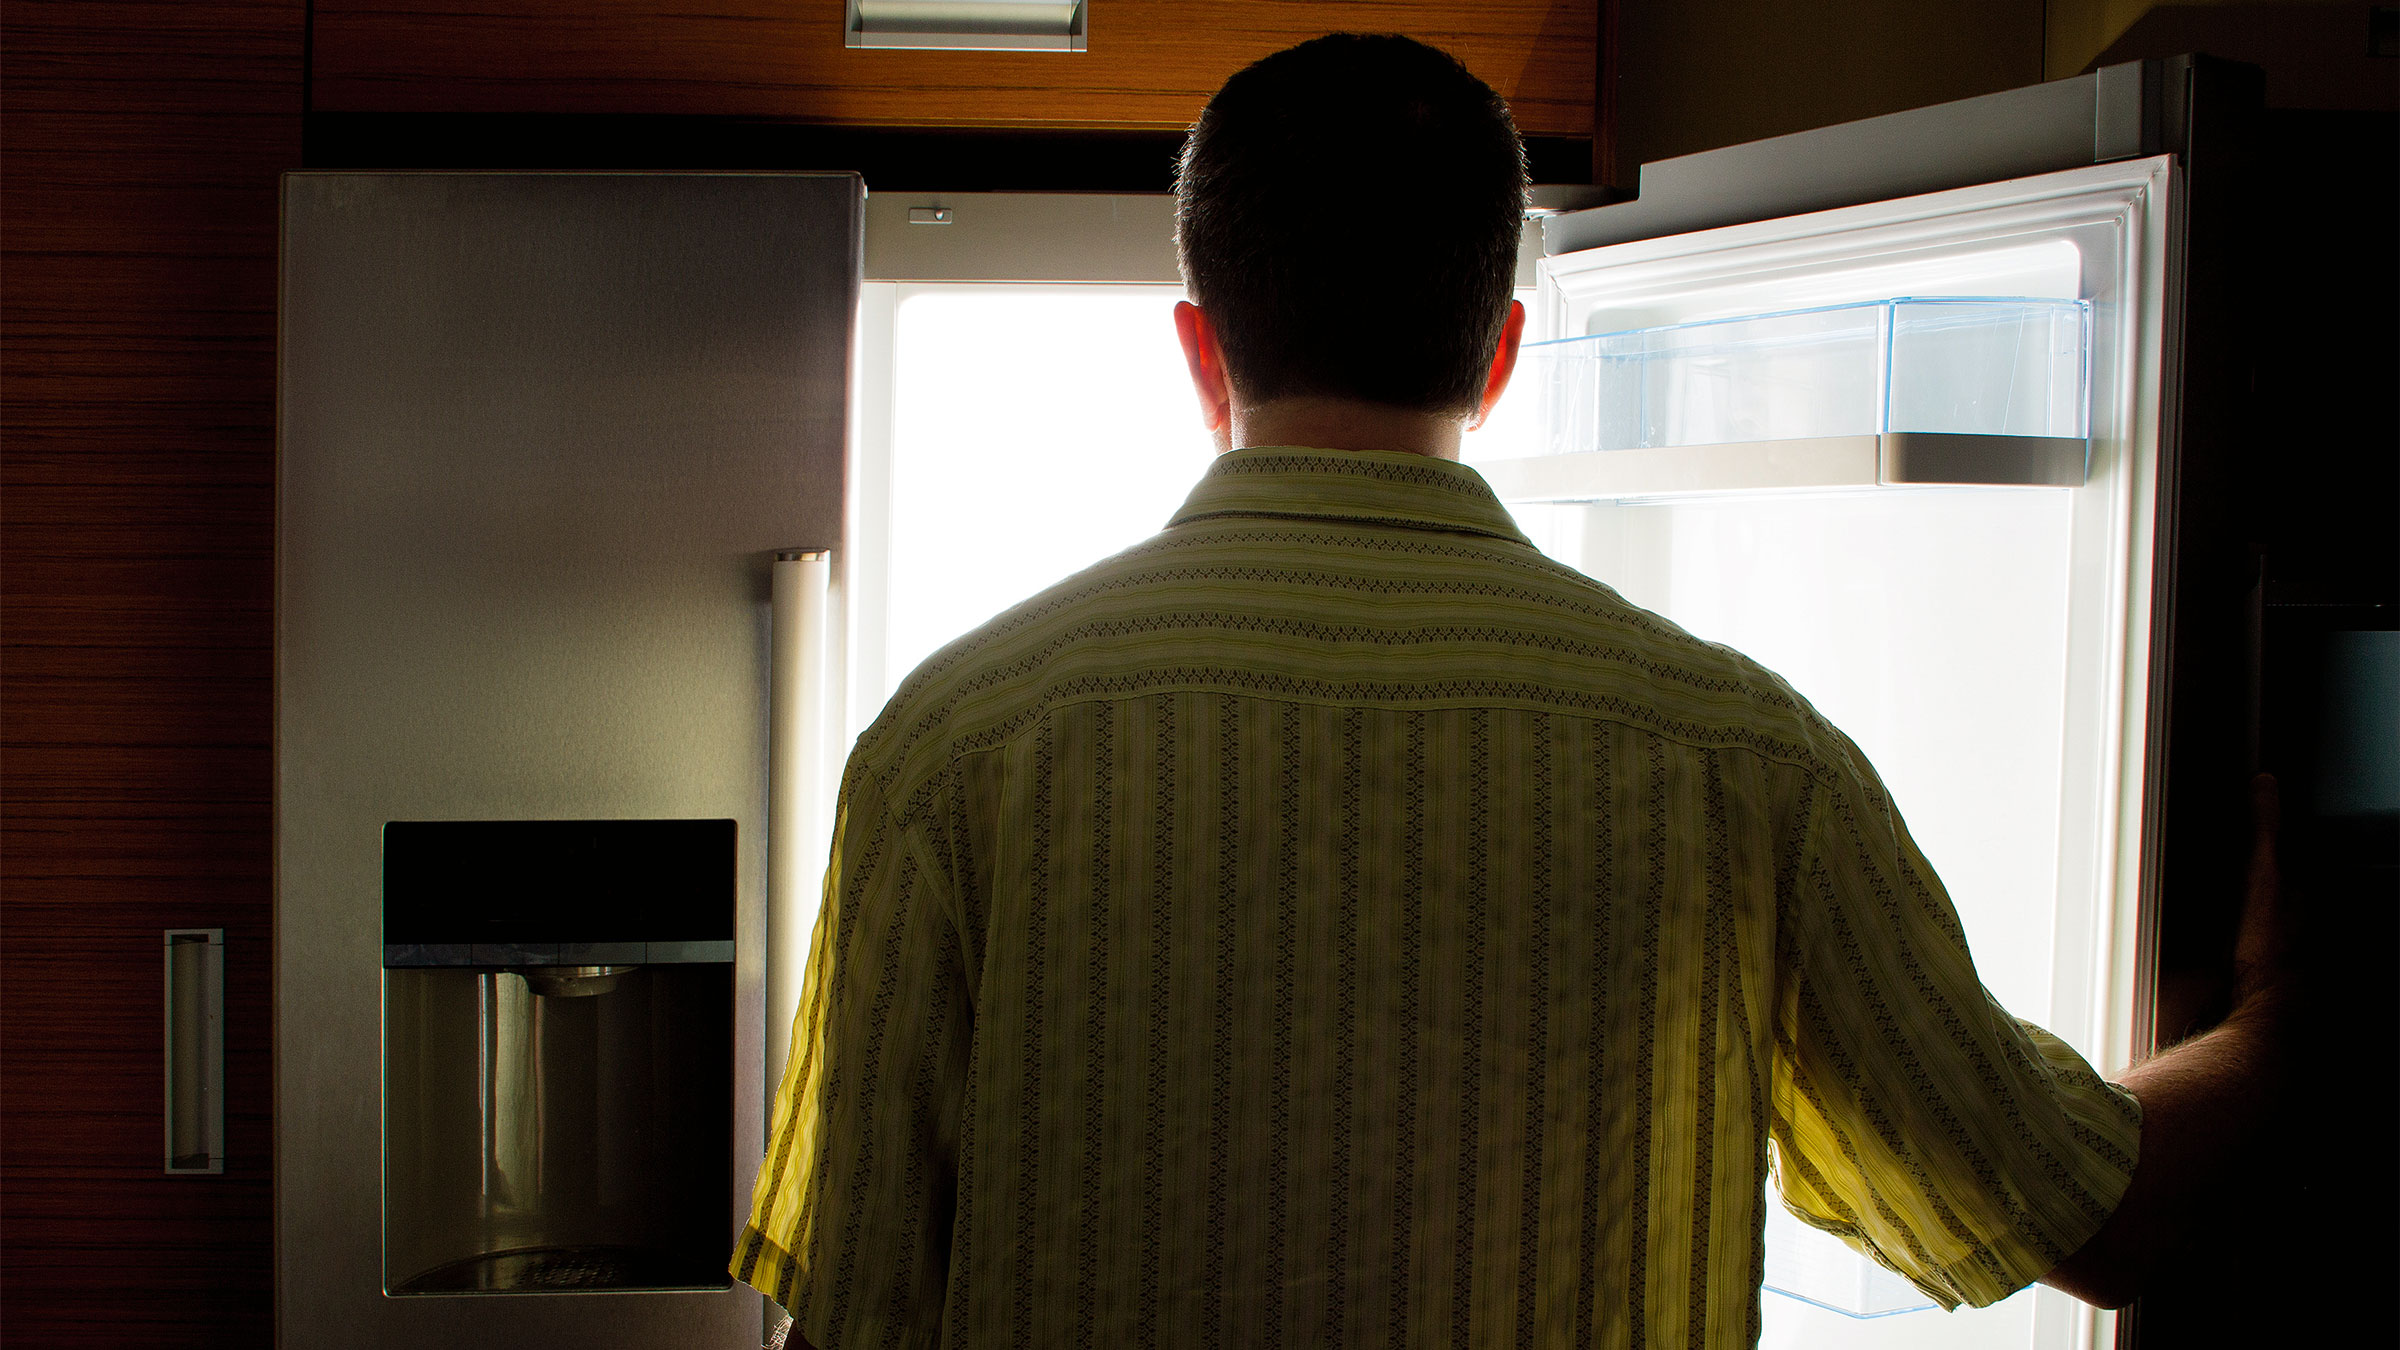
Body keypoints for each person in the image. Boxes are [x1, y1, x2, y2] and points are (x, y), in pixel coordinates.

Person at [731, 33, 2290, 1350]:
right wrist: (2292, 1008)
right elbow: (2091, 1211)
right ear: (1502, 353)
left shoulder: (952, 747)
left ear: (1202, 354)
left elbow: (854, 1311)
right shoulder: (1740, 761)